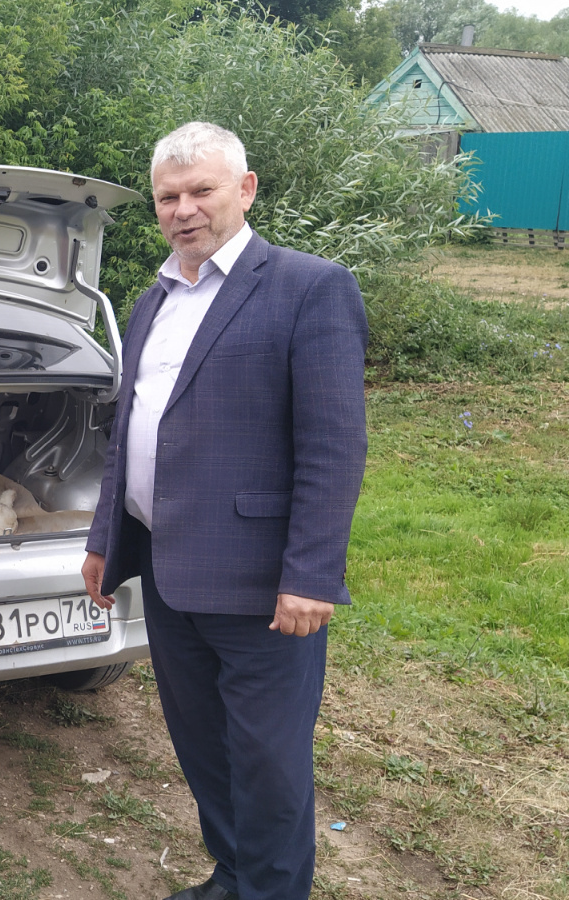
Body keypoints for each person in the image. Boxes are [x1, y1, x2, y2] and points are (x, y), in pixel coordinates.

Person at [81, 121, 368, 900]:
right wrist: (106, 539)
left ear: (244, 189)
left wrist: (311, 574)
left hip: (261, 585)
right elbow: (130, 431)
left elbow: (333, 446)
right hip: (167, 572)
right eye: (167, 197)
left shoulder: (310, 288)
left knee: (268, 764)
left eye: (200, 191)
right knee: (204, 748)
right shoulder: (154, 299)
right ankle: (233, 878)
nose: (183, 210)